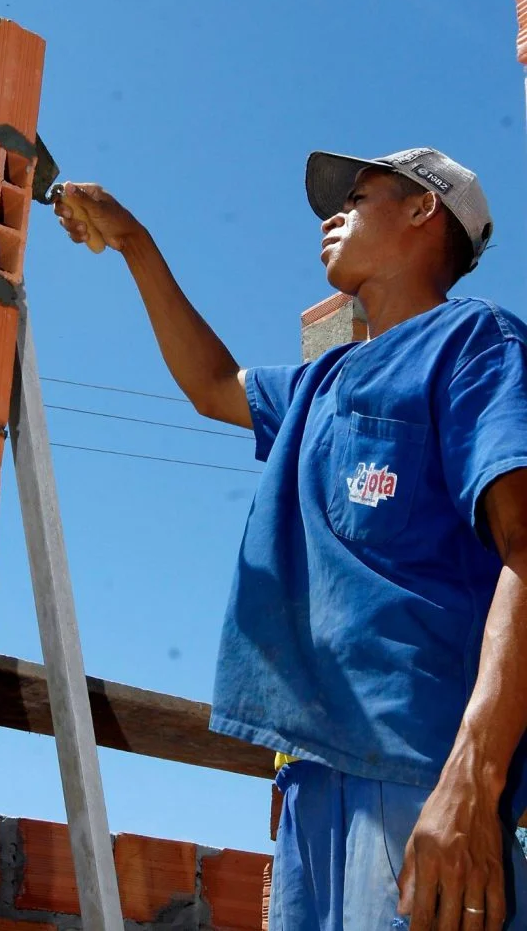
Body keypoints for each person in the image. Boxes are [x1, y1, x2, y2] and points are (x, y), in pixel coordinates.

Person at [54, 147, 527, 931]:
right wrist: (135, 241)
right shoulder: (319, 382)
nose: (331, 214)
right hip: (312, 780)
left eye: (358, 195)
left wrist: (472, 782)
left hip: (420, 771)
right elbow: (212, 385)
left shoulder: (476, 343)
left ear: (423, 210)